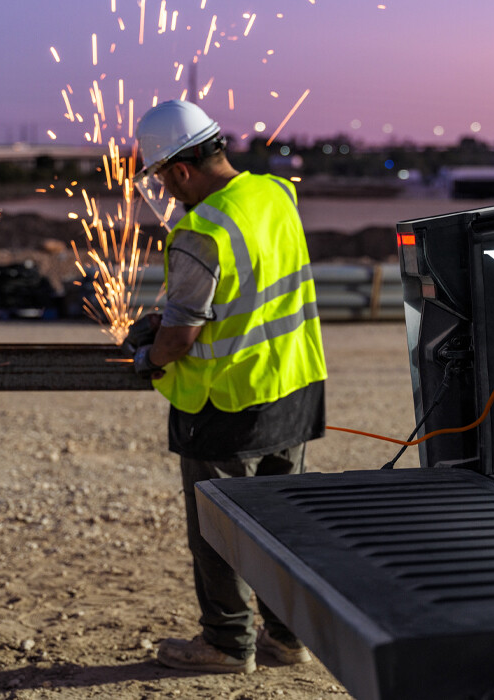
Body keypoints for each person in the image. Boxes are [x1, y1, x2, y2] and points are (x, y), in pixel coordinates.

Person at [131, 99, 328, 674]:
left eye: (163, 179)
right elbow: (253, 291)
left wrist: (148, 353)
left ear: (181, 170)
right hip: (293, 385)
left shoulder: (200, 230)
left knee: (219, 531)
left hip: (225, 405)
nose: (166, 192)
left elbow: (179, 340)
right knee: (278, 524)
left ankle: (225, 644)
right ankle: (287, 640)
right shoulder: (275, 194)